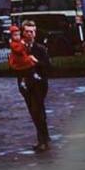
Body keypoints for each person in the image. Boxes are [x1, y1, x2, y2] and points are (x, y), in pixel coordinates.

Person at [24, 21, 52, 151]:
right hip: (26, 85)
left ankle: (43, 140)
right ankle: (44, 138)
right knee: (34, 112)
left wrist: (36, 62)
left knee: (38, 111)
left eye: (32, 31)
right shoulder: (20, 48)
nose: (29, 34)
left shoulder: (40, 48)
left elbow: (48, 66)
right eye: (27, 31)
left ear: (35, 33)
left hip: (40, 84)